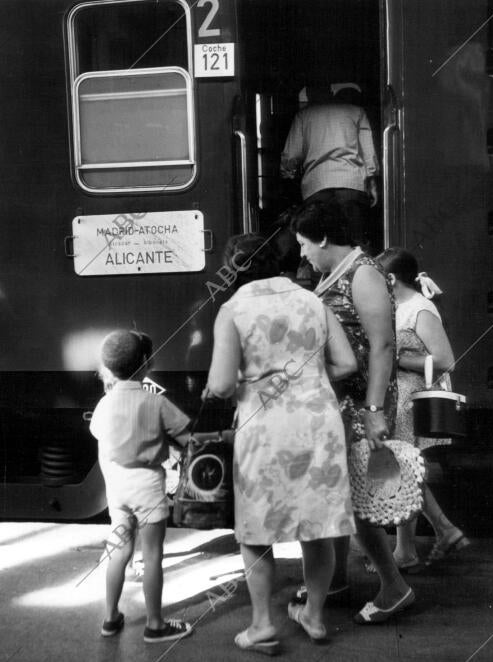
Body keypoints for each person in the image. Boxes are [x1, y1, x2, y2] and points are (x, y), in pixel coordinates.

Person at [204, 233, 358, 652]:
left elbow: (220, 384)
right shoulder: (313, 301)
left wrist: (247, 381)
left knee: (256, 527)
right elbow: (346, 363)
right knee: (318, 523)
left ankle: (261, 625)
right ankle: (314, 616)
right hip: (317, 423)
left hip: (263, 425)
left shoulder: (232, 310)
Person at [291, 200, 415, 624]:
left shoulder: (362, 274)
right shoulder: (336, 272)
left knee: (355, 495)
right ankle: (339, 579)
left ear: (324, 238)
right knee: (342, 490)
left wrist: (375, 409)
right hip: (346, 401)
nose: (303, 253)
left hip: (364, 402)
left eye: (305, 243)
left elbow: (383, 345)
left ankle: (394, 586)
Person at [89, 330, 193, 643]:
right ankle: (155, 625)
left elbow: (100, 437)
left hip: (118, 489)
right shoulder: (156, 402)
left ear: (108, 368)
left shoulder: (104, 404)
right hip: (148, 488)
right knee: (151, 556)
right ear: (146, 363)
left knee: (118, 552)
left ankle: (110, 618)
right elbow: (188, 437)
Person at [375, 247, 470, 568]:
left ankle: (431, 536)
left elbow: (445, 360)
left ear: (390, 278)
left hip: (410, 399)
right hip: (398, 397)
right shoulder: (399, 307)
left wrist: (399, 359)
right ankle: (418, 544)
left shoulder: (419, 308)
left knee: (403, 471)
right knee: (406, 471)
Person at [280, 84, 379, 249]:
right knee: (356, 242)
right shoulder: (356, 112)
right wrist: (373, 185)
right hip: (351, 185)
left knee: (319, 242)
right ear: (330, 92)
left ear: (310, 96)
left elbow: (290, 158)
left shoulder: (303, 116)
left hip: (316, 187)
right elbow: (368, 153)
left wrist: (288, 178)